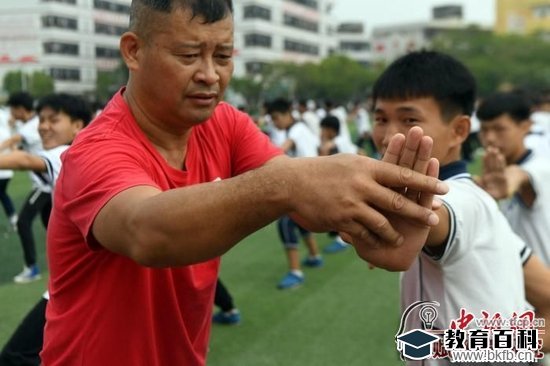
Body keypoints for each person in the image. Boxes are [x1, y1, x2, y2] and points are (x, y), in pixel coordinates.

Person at [41, 2, 448, 365]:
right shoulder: (97, 150)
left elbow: (307, 201)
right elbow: (147, 231)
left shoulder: (226, 124)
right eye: (188, 55)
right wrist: (285, 182)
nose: (209, 74)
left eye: (222, 55)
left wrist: (387, 221)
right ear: (133, 50)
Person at [370, 50, 550, 364]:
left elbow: (434, 217)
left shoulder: (459, 200)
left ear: (459, 131)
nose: (388, 136)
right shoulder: (482, 202)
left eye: (409, 120)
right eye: (381, 118)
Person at [0, 93, 91, 366]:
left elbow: (25, 161)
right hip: (79, 283)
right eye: (42, 119)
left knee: (15, 357)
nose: (43, 126)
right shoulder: (85, 152)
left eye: (54, 120)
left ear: (78, 125)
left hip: (76, 287)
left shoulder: (69, 154)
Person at [476, 91, 550, 266]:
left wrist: (507, 184)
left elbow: (519, 176)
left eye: (499, 129)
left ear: (525, 126)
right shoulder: (499, 171)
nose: (490, 138)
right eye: (484, 130)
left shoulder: (540, 168)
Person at [267, 97, 323, 290]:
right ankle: (315, 256)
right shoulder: (299, 128)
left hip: (307, 184)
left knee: (285, 224)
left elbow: (281, 150)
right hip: (310, 182)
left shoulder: (296, 130)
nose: (275, 123)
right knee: (300, 221)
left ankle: (295, 272)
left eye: (276, 118)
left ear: (286, 114)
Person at [1, 92, 50, 283]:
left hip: (45, 186)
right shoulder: (30, 124)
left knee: (23, 222)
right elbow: (19, 148)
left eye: (13, 109)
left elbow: (11, 142)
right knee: (53, 225)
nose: (12, 113)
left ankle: (32, 268)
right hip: (49, 184)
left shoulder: (32, 125)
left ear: (21, 109)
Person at [0, 107, 17, 232]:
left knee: (2, 194)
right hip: (8, 172)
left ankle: (14, 218)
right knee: (3, 194)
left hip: (2, 171)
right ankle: (13, 218)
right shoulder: (7, 132)